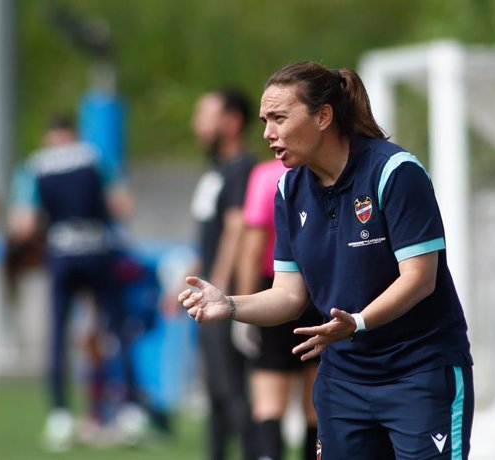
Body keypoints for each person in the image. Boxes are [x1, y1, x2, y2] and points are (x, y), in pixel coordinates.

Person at [178, 61, 475, 460]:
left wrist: (360, 323)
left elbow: (420, 278)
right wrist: (230, 304)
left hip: (420, 374)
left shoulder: (394, 172)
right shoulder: (288, 188)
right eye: (266, 120)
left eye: (280, 118)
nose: (268, 133)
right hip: (344, 381)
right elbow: (288, 295)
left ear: (323, 116)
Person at [8, 114, 143, 451]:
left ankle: (60, 415)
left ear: (49, 136)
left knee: (58, 335)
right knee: (114, 329)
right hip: (98, 251)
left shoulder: (35, 165)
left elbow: (23, 224)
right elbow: (122, 205)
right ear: (74, 133)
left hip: (61, 256)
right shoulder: (95, 157)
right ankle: (126, 411)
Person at [181, 89, 257, 460]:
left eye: (205, 114)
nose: (198, 123)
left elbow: (236, 229)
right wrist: (190, 276)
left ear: (231, 122)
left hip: (222, 298)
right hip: (209, 291)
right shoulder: (216, 171)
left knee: (232, 390)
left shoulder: (243, 168)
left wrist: (222, 289)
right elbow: (211, 239)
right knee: (215, 390)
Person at [234, 158, 321, 460]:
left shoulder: (266, 175)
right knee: (316, 404)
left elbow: (252, 247)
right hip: (320, 290)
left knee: (269, 401)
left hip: (275, 290)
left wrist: (244, 309)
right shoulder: (325, 171)